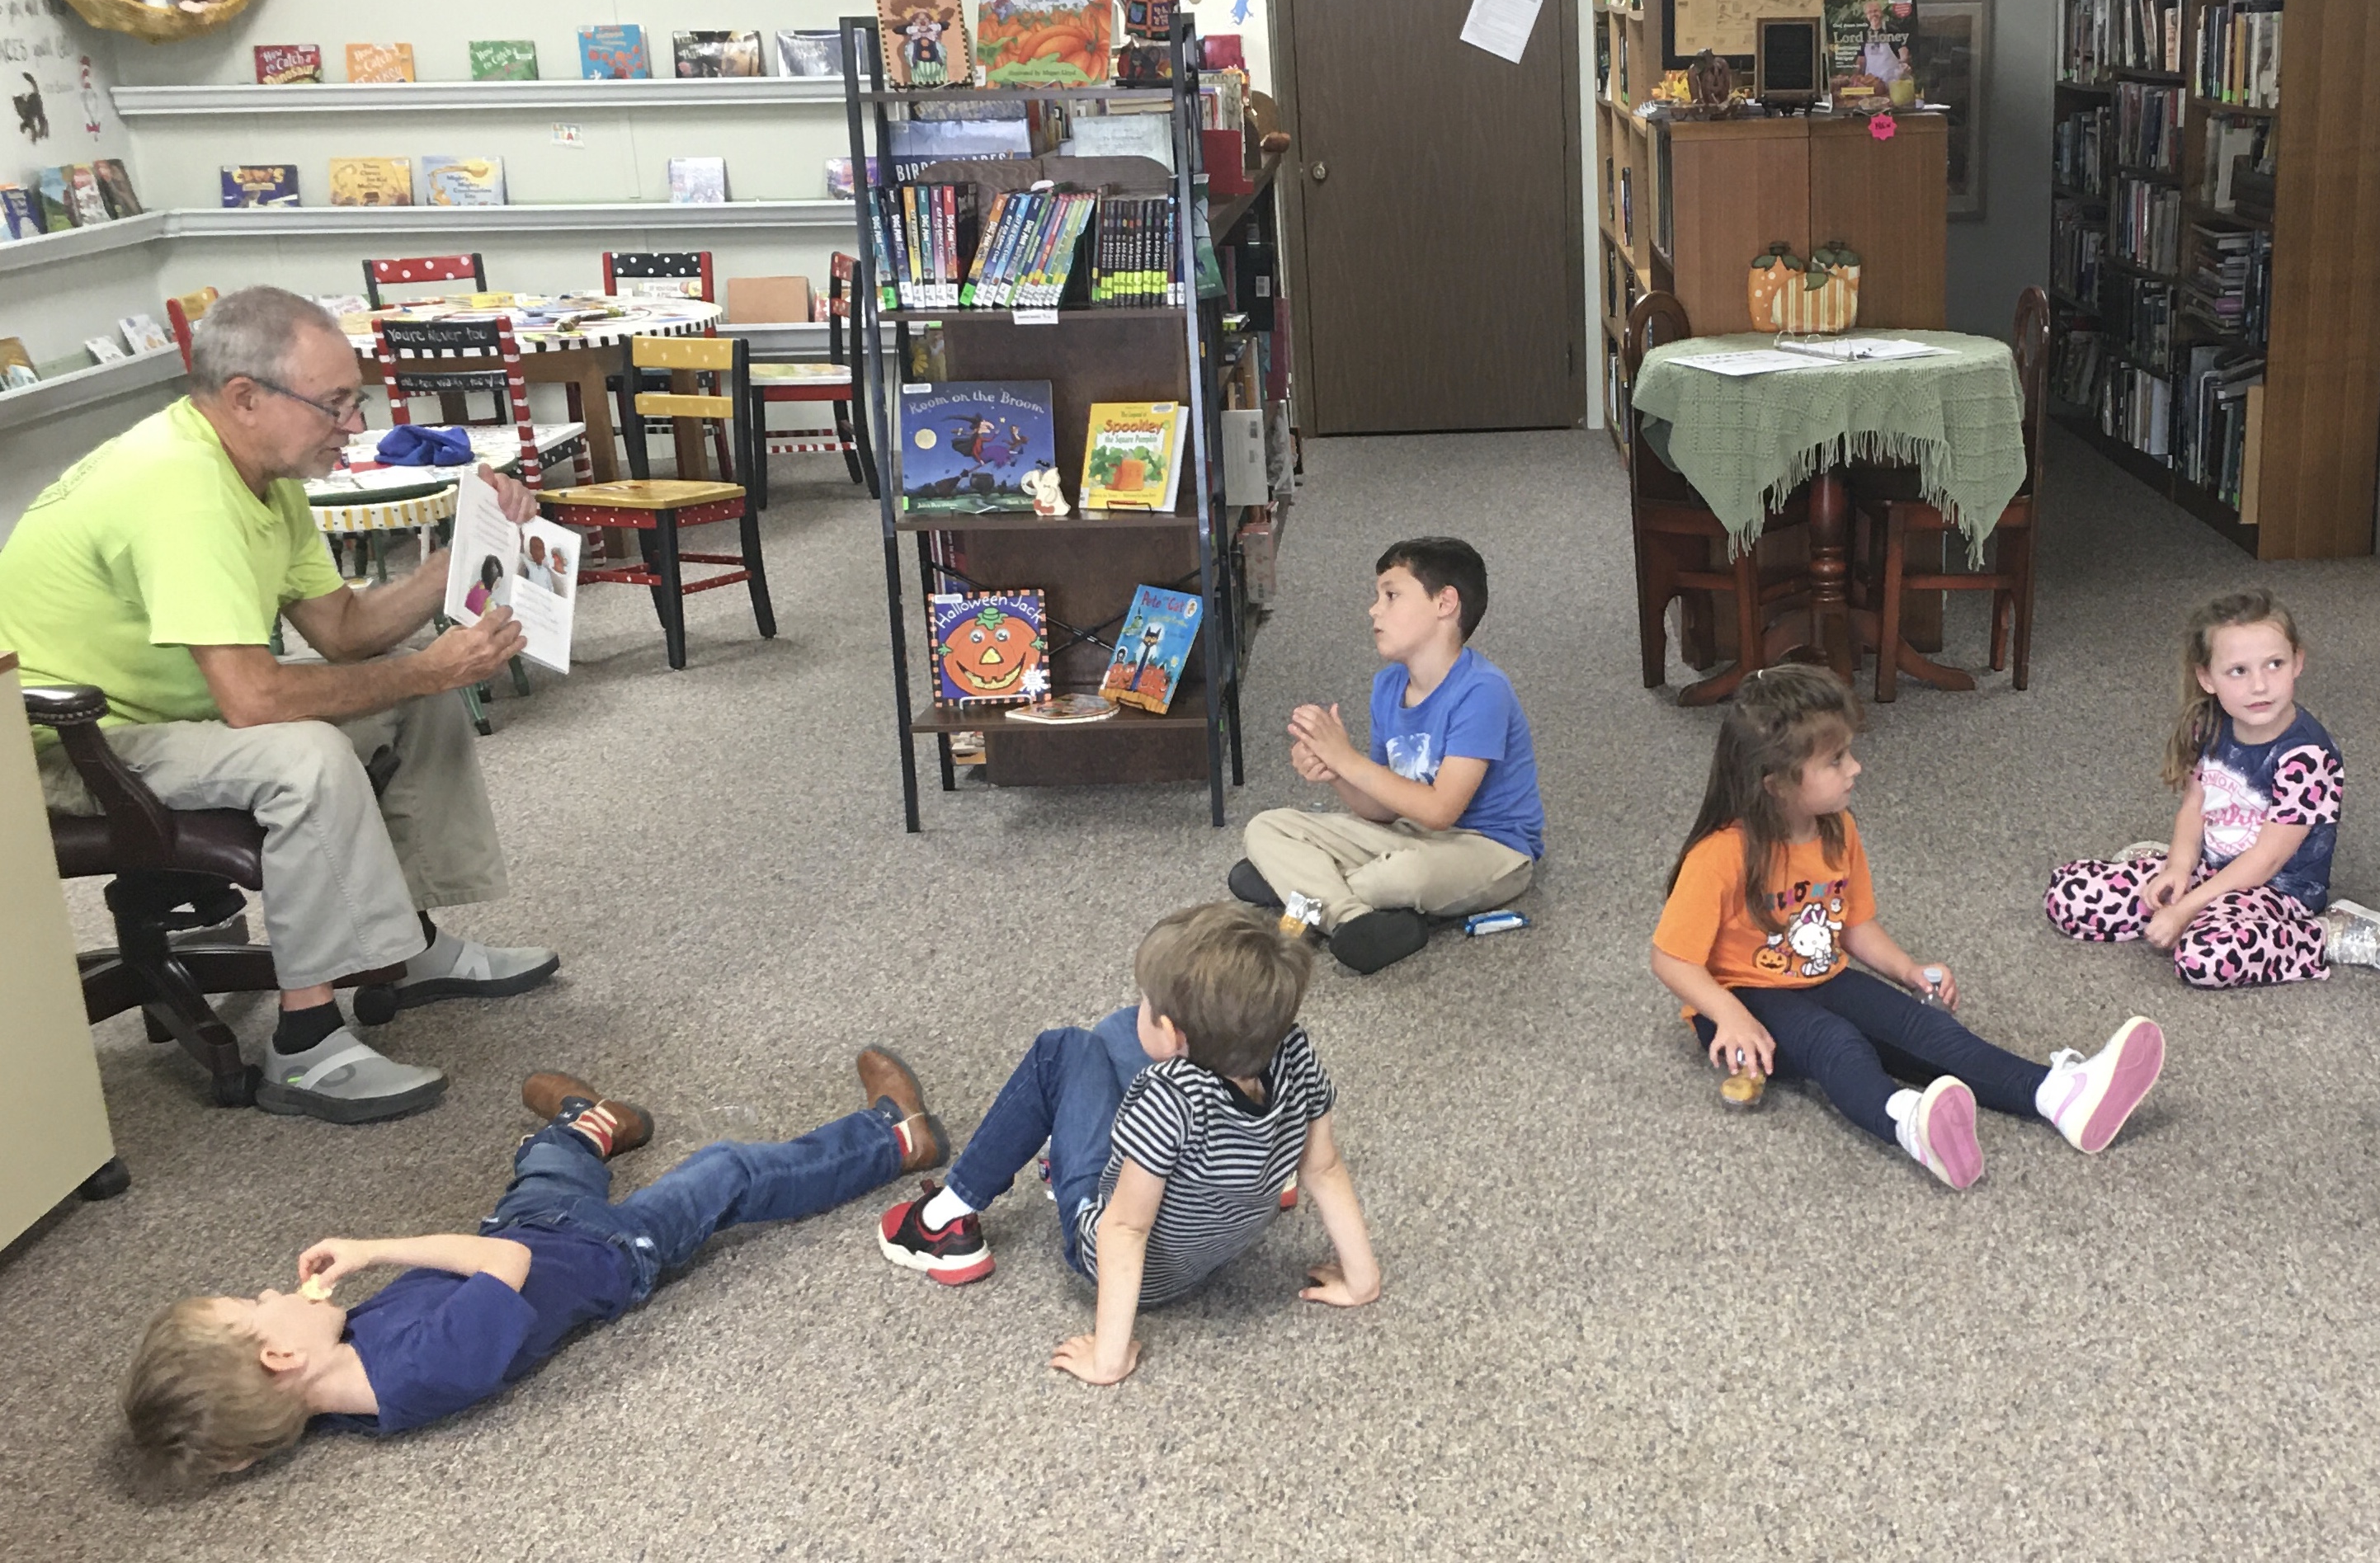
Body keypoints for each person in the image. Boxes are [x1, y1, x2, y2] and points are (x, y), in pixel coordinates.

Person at [0, 285, 559, 1125]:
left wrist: (459, 556)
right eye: (334, 404)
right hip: (66, 742)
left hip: (169, 713)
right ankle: (304, 1045)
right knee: (306, 755)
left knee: (419, 698)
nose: (352, 425)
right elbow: (257, 701)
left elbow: (344, 632)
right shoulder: (181, 488)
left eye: (355, 400)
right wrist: (424, 670)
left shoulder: (265, 475)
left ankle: (403, 951)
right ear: (244, 398)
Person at [120, 1049, 945, 1476]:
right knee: (728, 1173)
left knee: (547, 1163)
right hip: (606, 1253)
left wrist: (236, 1439)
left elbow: (238, 1434)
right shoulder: (420, 1371)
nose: (271, 1289)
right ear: (279, 1356)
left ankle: (593, 1124)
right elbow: (505, 1261)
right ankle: (894, 1138)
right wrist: (374, 1249)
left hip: (541, 1227)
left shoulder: (326, 1380)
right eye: (253, 1303)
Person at [1649, 664, 2166, 1190]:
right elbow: (1670, 958)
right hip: (1742, 998)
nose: (1855, 768)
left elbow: (1854, 924)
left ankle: (2058, 1095)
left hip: (1822, 976)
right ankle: (1909, 1123)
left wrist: (1907, 969)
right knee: (1836, 1043)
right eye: (1836, 759)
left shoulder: (1837, 830)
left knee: (1924, 1030)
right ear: (1776, 784)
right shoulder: (1719, 855)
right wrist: (1729, 1016)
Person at [874, 903, 1379, 1383]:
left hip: (1136, 1262)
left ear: (1173, 1035)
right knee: (1116, 1033)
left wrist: (1108, 1358)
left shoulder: (1170, 1096)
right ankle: (1263, 1163)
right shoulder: (1294, 1049)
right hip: (1228, 1219)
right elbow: (1324, 1169)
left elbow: (1126, 1227)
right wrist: (1362, 1280)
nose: (1142, 1007)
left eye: (1148, 1003)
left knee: (1062, 1051)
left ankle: (942, 1220)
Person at [2047, 591, 2380, 986]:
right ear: (2207, 678)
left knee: (2205, 958)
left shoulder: (2307, 757)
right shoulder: (2210, 723)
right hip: (2209, 868)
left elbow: (2267, 860)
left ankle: (2322, 937)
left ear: (2297, 662)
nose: (2260, 685)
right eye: (2238, 671)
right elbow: (2194, 807)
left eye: (2274, 664)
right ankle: (2179, 885)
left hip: (2276, 891)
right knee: (2069, 897)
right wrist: (2178, 867)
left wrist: (2184, 909)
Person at [1231, 537, 1543, 976]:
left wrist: (1347, 759)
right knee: (1267, 826)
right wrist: (1335, 770)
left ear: (1445, 603)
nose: (1374, 610)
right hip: (1407, 833)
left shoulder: (1483, 691)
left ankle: (1303, 894)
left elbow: (1440, 811)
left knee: (1402, 876)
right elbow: (1381, 810)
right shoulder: (1388, 686)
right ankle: (1349, 918)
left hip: (1490, 849)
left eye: (1391, 595)